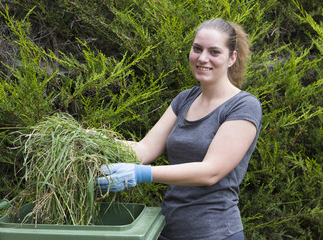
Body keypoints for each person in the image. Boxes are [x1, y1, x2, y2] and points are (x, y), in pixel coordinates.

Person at [97, 18, 262, 240]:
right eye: (197, 49)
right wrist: (98, 143)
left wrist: (140, 174)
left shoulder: (243, 106)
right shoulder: (185, 99)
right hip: (168, 230)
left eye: (214, 52)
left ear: (232, 58)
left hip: (215, 233)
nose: (203, 58)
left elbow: (211, 171)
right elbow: (144, 149)